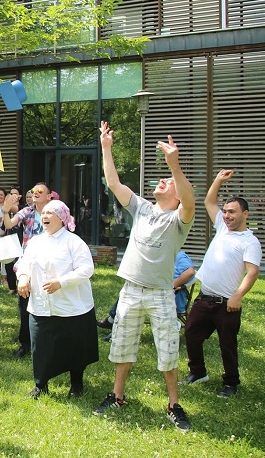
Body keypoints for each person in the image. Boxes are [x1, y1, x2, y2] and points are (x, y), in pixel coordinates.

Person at [93, 121, 195, 433]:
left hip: (161, 293)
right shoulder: (143, 208)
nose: (162, 181)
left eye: (169, 182)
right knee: (122, 344)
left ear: (175, 196)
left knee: (167, 348)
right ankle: (118, 395)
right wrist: (106, 147)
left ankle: (174, 404)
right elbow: (114, 183)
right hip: (131, 290)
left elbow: (190, 200)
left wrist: (174, 164)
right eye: (164, 178)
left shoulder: (179, 219)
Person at [182, 170, 261, 399]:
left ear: (245, 214)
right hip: (204, 297)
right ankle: (198, 372)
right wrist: (217, 180)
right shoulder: (222, 227)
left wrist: (238, 296)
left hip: (227, 303)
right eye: (225, 211)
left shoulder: (250, 241)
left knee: (227, 345)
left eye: (232, 212)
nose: (226, 216)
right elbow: (209, 201)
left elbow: (252, 272)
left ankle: (230, 383)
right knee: (191, 334)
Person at [16, 200, 97, 399]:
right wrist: (23, 278)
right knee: (40, 347)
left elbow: (87, 269)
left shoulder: (74, 242)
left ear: (61, 218)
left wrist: (61, 282)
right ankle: (40, 385)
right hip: (41, 306)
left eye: (50, 213)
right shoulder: (36, 241)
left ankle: (76, 384)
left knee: (74, 348)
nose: (44, 216)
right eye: (43, 213)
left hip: (71, 307)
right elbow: (24, 263)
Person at [2, 181, 53, 358]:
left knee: (49, 304)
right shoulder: (27, 212)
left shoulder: (56, 211)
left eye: (40, 190)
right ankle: (25, 344)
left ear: (49, 195)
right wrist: (5, 210)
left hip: (50, 265)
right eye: (33, 190)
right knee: (25, 306)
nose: (35, 193)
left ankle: (45, 342)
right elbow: (9, 225)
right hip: (28, 266)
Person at [97, 250, 196, 339]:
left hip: (168, 298)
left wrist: (171, 286)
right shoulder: (160, 257)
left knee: (133, 295)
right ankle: (116, 328)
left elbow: (190, 272)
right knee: (132, 290)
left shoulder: (179, 255)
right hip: (155, 295)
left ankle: (113, 324)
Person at [3, 186, 22, 295]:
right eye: (11, 193)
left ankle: (20, 286)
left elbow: (13, 209)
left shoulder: (23, 208)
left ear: (20, 196)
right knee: (9, 264)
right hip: (9, 239)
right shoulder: (7, 210)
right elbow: (5, 226)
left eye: (15, 193)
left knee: (19, 264)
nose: (12, 196)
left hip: (20, 239)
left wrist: (6, 206)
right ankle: (12, 287)